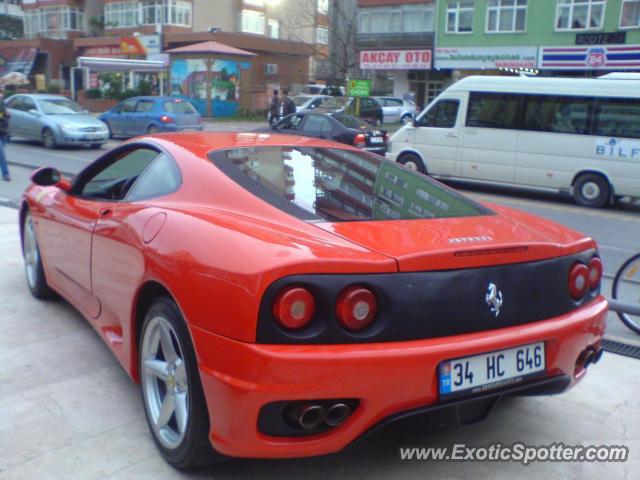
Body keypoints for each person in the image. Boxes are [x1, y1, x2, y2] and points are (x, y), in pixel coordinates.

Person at [0, 90, 10, 182]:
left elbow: (7, 116)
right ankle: (6, 173)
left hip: (4, 131)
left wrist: (7, 114)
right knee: (2, 154)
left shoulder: (4, 103)